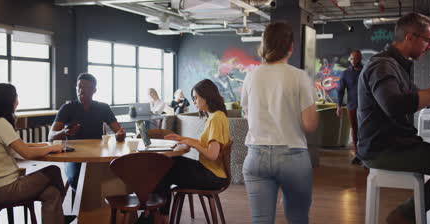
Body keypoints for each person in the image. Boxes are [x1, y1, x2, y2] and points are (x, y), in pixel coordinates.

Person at [357, 13, 430, 224]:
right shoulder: (382, 65)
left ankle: (407, 213)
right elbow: (394, 105)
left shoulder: (398, 65)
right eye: (428, 40)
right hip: (382, 149)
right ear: (410, 37)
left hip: (397, 144)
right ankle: (405, 214)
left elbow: (413, 97)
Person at [241, 22, 318, 224]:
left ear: (264, 45)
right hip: (293, 156)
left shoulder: (250, 76)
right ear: (291, 47)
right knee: (297, 219)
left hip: (256, 156)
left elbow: (249, 115)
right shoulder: (299, 77)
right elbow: (310, 125)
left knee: (260, 221)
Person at [0, 83, 75, 224]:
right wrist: (51, 148)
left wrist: (43, 145)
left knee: (52, 193)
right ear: (7, 101)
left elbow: (18, 146)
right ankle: (62, 215)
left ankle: (60, 218)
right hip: (4, 189)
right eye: (15, 96)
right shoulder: (0, 123)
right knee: (53, 170)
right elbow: (26, 153)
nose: (17, 100)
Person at [154, 79, 231, 224]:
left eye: (196, 98)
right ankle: (158, 215)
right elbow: (206, 145)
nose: (194, 101)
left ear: (206, 96)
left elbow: (212, 154)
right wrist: (183, 138)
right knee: (167, 164)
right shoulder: (215, 116)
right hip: (211, 172)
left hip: (212, 176)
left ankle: (157, 216)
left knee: (164, 167)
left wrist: (190, 143)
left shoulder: (216, 118)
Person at [49, 73, 126, 191]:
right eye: (79, 87)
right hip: (74, 155)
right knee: (77, 179)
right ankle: (81, 207)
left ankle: (109, 205)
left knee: (117, 174)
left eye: (86, 87)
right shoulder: (67, 108)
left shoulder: (103, 107)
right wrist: (65, 132)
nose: (81, 90)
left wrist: (120, 135)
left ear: (94, 90)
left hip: (98, 153)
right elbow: (51, 136)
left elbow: (118, 131)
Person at [336, 50, 363, 165]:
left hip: (366, 107)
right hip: (352, 106)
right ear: (349, 59)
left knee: (366, 130)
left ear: (360, 58)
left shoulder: (366, 71)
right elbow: (340, 91)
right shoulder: (345, 73)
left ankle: (366, 154)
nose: (354, 61)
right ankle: (358, 155)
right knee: (355, 131)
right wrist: (339, 106)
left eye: (356, 59)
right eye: (352, 59)